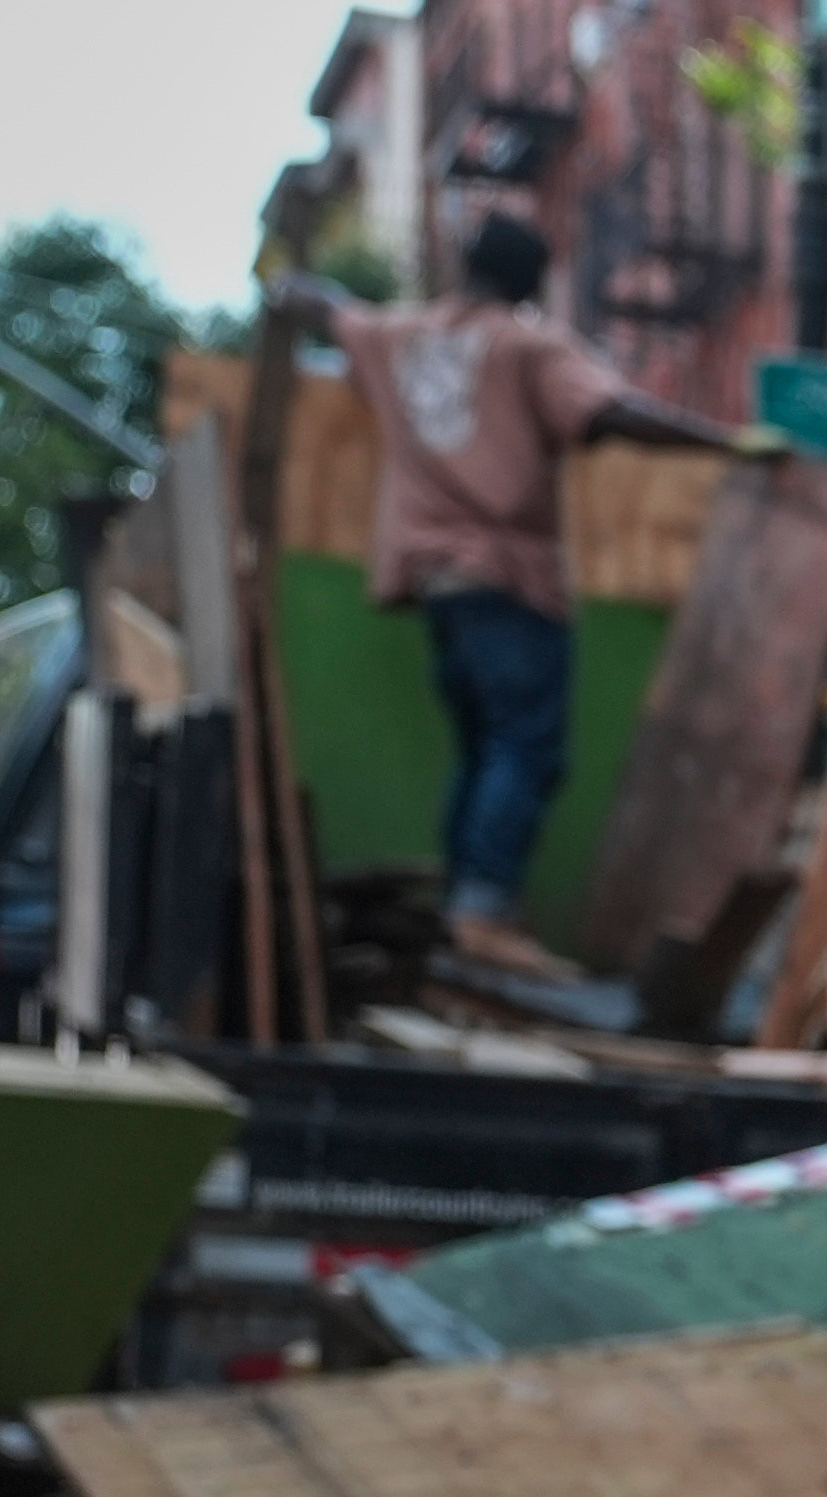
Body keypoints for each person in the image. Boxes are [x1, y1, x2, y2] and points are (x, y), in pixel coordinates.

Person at [290, 217, 775, 977]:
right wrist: (725, 444)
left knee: (484, 747)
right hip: (506, 574)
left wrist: (293, 285)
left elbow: (324, 307)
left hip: (433, 582)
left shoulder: (398, 336)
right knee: (525, 745)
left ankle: (462, 905)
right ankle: (483, 908)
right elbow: (610, 414)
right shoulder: (525, 346)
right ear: (531, 283)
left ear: (462, 263)